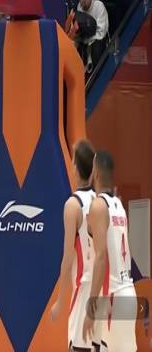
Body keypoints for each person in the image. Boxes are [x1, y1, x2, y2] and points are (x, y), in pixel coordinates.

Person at [82, 151, 137, 351]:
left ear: (95, 173)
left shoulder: (98, 206)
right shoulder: (119, 206)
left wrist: (91, 307)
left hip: (113, 297)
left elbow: (101, 258)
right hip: (127, 292)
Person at [50, 140, 101, 350]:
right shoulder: (101, 200)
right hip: (102, 286)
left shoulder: (73, 205)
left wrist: (60, 300)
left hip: (84, 287)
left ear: (76, 168)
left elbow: (68, 258)